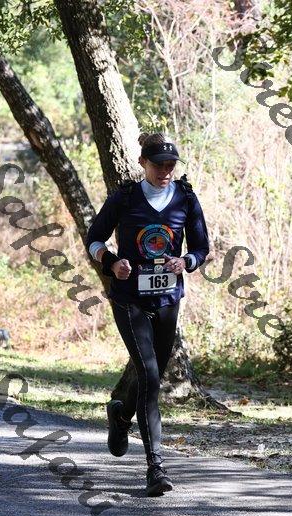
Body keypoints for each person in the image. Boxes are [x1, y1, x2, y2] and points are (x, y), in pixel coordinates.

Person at [85, 132, 210, 497]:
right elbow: (94, 238)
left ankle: (120, 415)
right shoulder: (124, 197)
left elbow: (201, 247)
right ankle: (156, 467)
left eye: (171, 165)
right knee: (150, 375)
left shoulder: (186, 198)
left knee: (150, 374)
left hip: (168, 300)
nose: (166, 171)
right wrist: (112, 262)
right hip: (130, 300)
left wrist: (185, 261)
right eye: (159, 165)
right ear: (143, 163)